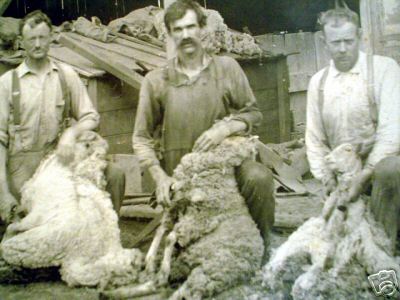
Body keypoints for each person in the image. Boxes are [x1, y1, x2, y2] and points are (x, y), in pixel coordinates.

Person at [132, 0, 275, 262]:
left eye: (190, 27)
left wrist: (225, 129)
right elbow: (140, 139)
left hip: (225, 169)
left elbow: (254, 114)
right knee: (187, 254)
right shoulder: (156, 81)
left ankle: (265, 250)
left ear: (202, 28)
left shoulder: (227, 68)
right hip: (181, 176)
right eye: (178, 29)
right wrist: (160, 177)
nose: (185, 35)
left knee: (259, 178)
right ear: (169, 34)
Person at [0, 10, 125, 223]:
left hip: (59, 162)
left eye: (42, 37)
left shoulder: (66, 76)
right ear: (22, 41)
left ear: (51, 37)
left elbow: (91, 117)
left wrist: (71, 132)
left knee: (114, 175)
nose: (38, 44)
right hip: (22, 171)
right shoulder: (7, 83)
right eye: (32, 39)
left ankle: (106, 238)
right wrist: (3, 193)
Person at [306, 5, 400, 251]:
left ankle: (383, 250)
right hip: (343, 176)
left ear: (359, 35)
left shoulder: (384, 69)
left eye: (349, 40)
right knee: (335, 244)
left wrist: (364, 175)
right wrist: (326, 179)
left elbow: (392, 132)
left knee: (392, 169)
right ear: (325, 43)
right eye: (335, 43)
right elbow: (314, 139)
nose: (343, 49)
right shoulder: (318, 83)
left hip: (378, 172)